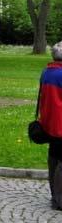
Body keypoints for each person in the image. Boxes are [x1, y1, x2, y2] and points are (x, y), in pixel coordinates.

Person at [39, 41, 62, 210]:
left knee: (53, 159)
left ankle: (55, 195)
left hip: (49, 123)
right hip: (60, 123)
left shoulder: (46, 72)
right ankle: (59, 200)